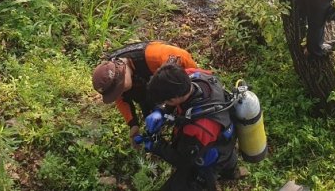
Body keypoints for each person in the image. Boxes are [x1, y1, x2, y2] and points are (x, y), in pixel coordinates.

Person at [145, 63, 239, 191]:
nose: (165, 104)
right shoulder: (194, 75)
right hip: (225, 133)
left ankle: (211, 180)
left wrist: (156, 145)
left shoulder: (195, 129)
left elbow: (182, 160)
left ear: (174, 99)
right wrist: (161, 111)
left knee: (200, 174)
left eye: (166, 101)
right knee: (227, 158)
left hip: (211, 154)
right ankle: (231, 172)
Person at [91, 40, 197, 146]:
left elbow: (187, 64)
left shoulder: (155, 55)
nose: (120, 93)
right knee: (150, 111)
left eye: (120, 89)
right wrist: (133, 124)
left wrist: (163, 108)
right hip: (146, 86)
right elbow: (121, 99)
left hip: (180, 81)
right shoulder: (111, 70)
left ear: (123, 72)